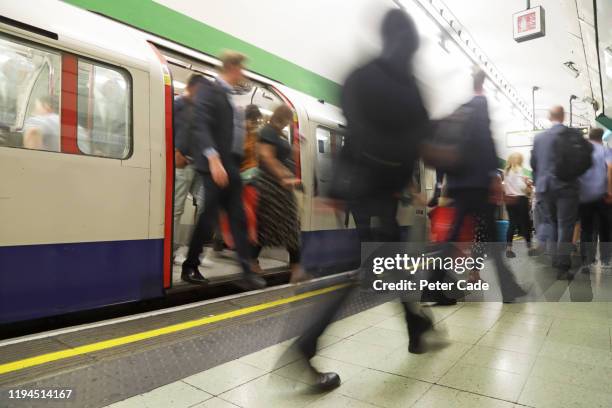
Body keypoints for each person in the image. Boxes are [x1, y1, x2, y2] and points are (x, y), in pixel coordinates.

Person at [292, 9, 435, 392]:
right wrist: (406, 182)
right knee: (371, 270)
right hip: (379, 193)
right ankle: (306, 344)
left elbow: (355, 132)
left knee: (386, 263)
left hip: (363, 190)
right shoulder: (409, 85)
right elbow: (413, 142)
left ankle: (416, 325)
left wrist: (339, 191)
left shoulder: (361, 76)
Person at [439, 70, 526, 302]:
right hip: (477, 185)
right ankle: (508, 288)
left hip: (459, 184)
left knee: (453, 235)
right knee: (488, 237)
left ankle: (436, 286)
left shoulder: (458, 110)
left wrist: (450, 184)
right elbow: (486, 140)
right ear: (483, 84)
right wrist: (492, 177)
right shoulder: (480, 104)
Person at [182, 51, 266, 290]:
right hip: (215, 164)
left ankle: (246, 270)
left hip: (231, 165)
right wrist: (214, 158)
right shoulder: (210, 90)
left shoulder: (231, 97)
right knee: (208, 218)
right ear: (231, 67)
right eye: (241, 69)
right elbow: (201, 125)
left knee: (238, 217)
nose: (243, 74)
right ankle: (190, 266)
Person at [251, 104, 307, 283]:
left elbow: (281, 156)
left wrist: (296, 146)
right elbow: (267, 157)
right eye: (286, 120)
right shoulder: (267, 132)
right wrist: (285, 176)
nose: (286, 124)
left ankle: (295, 268)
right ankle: (294, 269)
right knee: (276, 226)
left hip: (280, 188)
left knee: (277, 226)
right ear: (282, 118)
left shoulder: (276, 134)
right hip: (271, 186)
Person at [531, 106, 581, 279]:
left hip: (545, 188)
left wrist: (539, 184)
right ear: (564, 116)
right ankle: (562, 266)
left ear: (549, 116)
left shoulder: (539, 138)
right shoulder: (573, 134)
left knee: (551, 224)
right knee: (565, 226)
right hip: (566, 188)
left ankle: (554, 259)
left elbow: (534, 165)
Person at [172, 74, 212, 267]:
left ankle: (195, 251)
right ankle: (172, 251)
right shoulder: (176, 104)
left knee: (205, 206)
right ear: (192, 87)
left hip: (198, 165)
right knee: (177, 209)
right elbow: (166, 129)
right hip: (182, 163)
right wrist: (175, 150)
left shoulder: (198, 110)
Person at [578, 128, 611, 272]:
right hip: (602, 195)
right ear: (601, 137)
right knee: (606, 228)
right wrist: (610, 191)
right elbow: (610, 168)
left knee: (586, 229)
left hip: (584, 196)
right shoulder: (605, 150)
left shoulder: (581, 151)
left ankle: (586, 260)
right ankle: (606, 260)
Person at [503, 152, 535, 258]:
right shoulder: (518, 169)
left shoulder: (506, 172)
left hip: (509, 200)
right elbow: (521, 187)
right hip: (520, 200)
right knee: (525, 224)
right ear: (519, 160)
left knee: (512, 224)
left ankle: (509, 249)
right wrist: (527, 183)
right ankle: (530, 248)